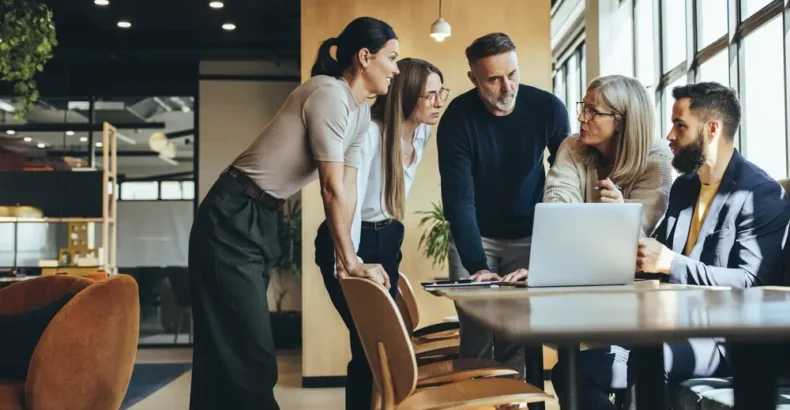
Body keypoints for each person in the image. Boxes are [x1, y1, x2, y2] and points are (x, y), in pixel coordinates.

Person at [187, 17, 400, 410]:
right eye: (392, 57)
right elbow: (331, 187)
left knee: (231, 348)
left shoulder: (358, 115)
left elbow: (349, 187)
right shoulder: (329, 94)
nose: (397, 69)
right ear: (365, 57)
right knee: (248, 354)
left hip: (260, 215)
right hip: (231, 213)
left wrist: (347, 257)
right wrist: (350, 261)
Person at [550, 82, 790, 410]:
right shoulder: (684, 188)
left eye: (680, 125)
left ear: (712, 129)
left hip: (724, 340)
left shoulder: (758, 193)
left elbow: (753, 284)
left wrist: (671, 263)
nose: (669, 136)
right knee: (569, 370)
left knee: (645, 362)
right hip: (668, 328)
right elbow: (653, 255)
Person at [315, 58, 448, 410]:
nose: (438, 102)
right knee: (368, 344)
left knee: (383, 346)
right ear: (405, 97)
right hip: (352, 236)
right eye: (430, 95)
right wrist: (350, 260)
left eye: (440, 93)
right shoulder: (371, 133)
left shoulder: (421, 131)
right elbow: (349, 199)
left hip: (388, 236)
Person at [437, 32, 570, 376]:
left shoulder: (548, 108)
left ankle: (511, 400)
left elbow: (568, 180)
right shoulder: (458, 118)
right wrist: (478, 265)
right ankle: (479, 397)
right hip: (476, 234)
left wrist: (555, 249)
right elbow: (459, 201)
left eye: (512, 74)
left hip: (529, 234)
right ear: (474, 79)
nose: (506, 87)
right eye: (494, 79)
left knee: (517, 333)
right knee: (476, 330)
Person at [500, 74, 674, 283]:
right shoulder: (572, 146)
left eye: (593, 112)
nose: (582, 117)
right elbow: (558, 215)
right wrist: (547, 270)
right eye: (584, 107)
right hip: (575, 271)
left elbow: (638, 246)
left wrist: (621, 216)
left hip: (633, 280)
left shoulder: (657, 158)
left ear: (620, 122)